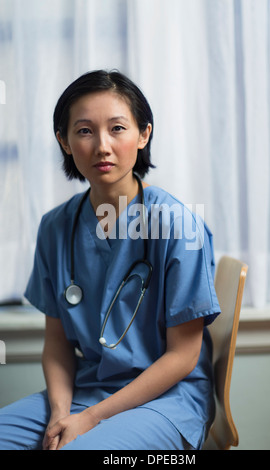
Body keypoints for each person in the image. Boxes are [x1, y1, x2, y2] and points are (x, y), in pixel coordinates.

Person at [0, 70, 220, 450]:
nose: (102, 146)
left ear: (143, 134)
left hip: (166, 400)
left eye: (117, 128)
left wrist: (90, 419)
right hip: (89, 389)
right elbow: (56, 344)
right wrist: (60, 414)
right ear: (64, 141)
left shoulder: (177, 225)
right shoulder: (55, 227)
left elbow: (184, 357)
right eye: (84, 131)